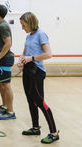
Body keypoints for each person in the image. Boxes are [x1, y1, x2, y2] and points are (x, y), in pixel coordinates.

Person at [17, 12, 59, 144]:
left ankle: (53, 133)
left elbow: (48, 54)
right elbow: (25, 52)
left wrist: (32, 58)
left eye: (23, 25)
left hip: (37, 71)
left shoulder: (41, 34)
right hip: (28, 71)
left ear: (30, 23)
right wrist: (20, 61)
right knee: (30, 100)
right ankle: (35, 128)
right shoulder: (29, 36)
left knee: (40, 101)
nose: (22, 28)